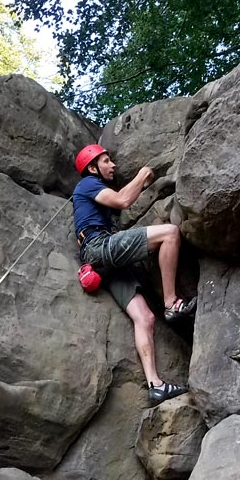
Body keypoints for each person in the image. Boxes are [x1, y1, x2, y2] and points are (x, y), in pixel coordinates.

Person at [71, 143, 196, 404]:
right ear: (93, 168)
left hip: (102, 264)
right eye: (107, 161)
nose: (113, 165)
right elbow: (123, 200)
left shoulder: (94, 190)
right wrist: (142, 175)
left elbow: (117, 202)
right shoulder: (87, 185)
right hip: (99, 248)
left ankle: (155, 385)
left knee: (145, 317)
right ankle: (172, 302)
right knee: (170, 233)